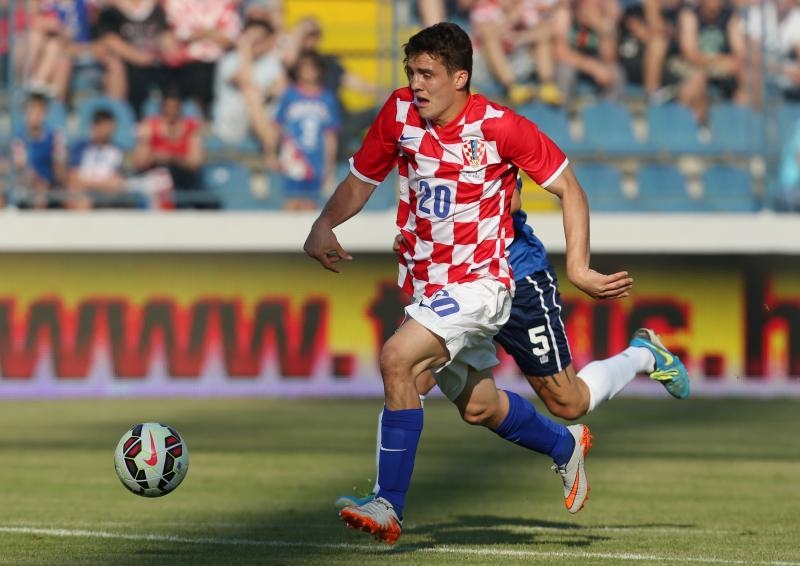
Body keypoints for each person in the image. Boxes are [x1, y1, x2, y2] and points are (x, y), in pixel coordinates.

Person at [304, 22, 686, 546]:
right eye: (410, 73)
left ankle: (388, 505)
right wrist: (325, 223)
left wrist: (577, 268)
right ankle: (563, 445)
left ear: (460, 78)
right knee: (480, 406)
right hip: (431, 286)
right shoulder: (398, 114)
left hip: (492, 279)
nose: (415, 85)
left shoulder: (501, 128)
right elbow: (360, 181)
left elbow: (569, 188)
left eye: (427, 74)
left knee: (400, 362)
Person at [334, 186, 690, 511]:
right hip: (459, 283)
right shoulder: (424, 134)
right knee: (437, 386)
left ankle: (644, 353)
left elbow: (513, 199)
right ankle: (384, 497)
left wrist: (447, 225)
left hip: (518, 278)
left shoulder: (488, 127)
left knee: (569, 401)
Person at [272, 50, 339, 211]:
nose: (308, 72)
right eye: (304, 68)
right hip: (293, 159)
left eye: (312, 68)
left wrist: (329, 165)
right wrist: (272, 153)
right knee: (291, 203)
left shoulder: (327, 98)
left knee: (311, 206)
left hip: (316, 161)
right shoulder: (290, 95)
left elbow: (331, 134)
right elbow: (277, 126)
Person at [132, 91, 215, 208]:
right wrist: (156, 156)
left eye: (175, 107)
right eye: (168, 107)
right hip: (154, 176)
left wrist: (173, 158)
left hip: (183, 178)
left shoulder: (191, 129)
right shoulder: (150, 127)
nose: (171, 111)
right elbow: (139, 162)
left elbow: (195, 162)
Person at [66, 108, 136, 209]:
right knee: (79, 199)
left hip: (107, 198)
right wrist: (98, 185)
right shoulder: (81, 148)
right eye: (104, 126)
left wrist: (90, 185)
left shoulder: (119, 151)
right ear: (94, 126)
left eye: (110, 127)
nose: (107, 130)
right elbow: (73, 179)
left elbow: (117, 183)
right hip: (83, 196)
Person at [11, 91, 67, 208]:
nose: (35, 115)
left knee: (40, 193)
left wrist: (58, 163)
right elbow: (18, 166)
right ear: (25, 113)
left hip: (48, 185)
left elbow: (60, 171)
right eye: (32, 111)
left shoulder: (55, 137)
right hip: (23, 183)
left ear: (45, 113)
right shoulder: (18, 137)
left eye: (39, 111)